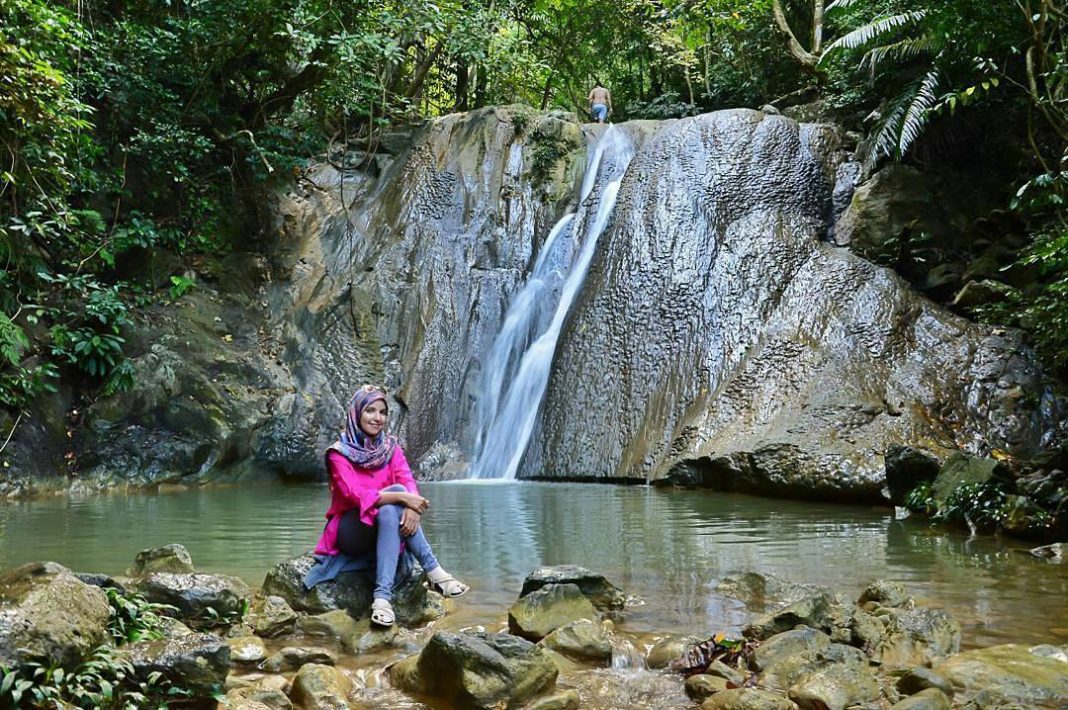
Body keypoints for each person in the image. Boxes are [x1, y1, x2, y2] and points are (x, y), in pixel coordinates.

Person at [305, 384, 468, 627]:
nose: (377, 418)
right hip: (351, 531)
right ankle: (435, 571)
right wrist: (403, 498)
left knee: (393, 507)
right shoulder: (338, 454)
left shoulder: (391, 449)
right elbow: (354, 495)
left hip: (384, 525)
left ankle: (382, 600)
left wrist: (412, 507)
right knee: (397, 496)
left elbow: (407, 481)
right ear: (356, 413)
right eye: (370, 411)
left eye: (382, 412)